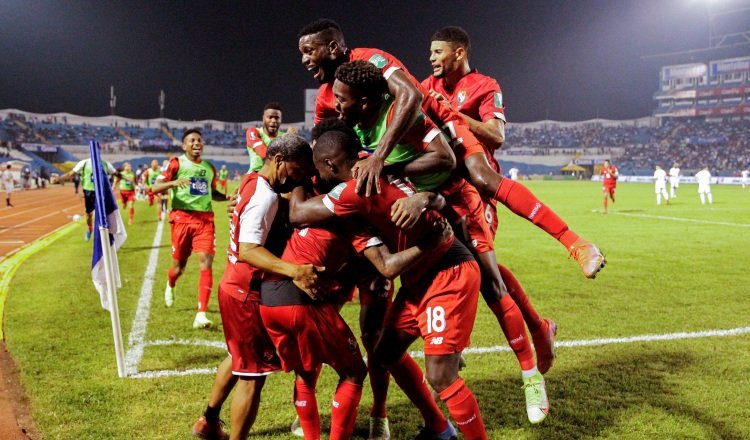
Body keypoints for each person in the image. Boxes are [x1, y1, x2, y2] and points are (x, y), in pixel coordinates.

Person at [298, 18, 605, 279]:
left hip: (437, 123)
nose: (304, 59)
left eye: (309, 51)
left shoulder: (370, 59)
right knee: (474, 261)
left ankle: (574, 242)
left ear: (333, 47)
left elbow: (410, 96)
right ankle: (538, 331)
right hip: (409, 153)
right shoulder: (328, 97)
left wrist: (379, 159)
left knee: (482, 177)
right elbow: (330, 144)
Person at [332, 62, 549, 423]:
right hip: (427, 217)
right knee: (390, 346)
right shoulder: (363, 125)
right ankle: (423, 416)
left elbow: (449, 159)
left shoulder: (410, 112)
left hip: (457, 196)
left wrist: (388, 168)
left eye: (440, 51)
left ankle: (530, 374)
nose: (433, 58)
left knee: (490, 279)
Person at [289, 128, 488, 439]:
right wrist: (427, 199)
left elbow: (298, 214)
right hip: (417, 277)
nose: (317, 176)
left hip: (446, 270)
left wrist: (297, 173)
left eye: (317, 169)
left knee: (441, 376)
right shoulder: (377, 163)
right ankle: (439, 429)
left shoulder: (350, 191)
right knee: (383, 355)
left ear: (328, 164)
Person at [192, 134, 322, 440]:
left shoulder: (254, 181)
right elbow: (249, 249)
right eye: (297, 169)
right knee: (253, 376)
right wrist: (294, 270)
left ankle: (208, 421)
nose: (300, 177)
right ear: (278, 161)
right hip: (245, 292)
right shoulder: (263, 196)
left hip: (234, 285)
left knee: (238, 357)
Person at [151, 129, 226, 329]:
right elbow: (154, 188)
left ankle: (201, 313)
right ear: (184, 146)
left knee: (206, 262)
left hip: (205, 221)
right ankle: (171, 283)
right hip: (181, 220)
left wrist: (227, 198)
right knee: (178, 267)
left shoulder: (210, 168)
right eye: (191, 140)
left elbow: (213, 193)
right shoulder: (176, 163)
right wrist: (174, 182)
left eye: (199, 140)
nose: (196, 143)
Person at [60, 156, 118, 240]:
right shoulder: (84, 163)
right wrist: (59, 178)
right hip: (89, 193)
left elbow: (116, 173)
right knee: (89, 215)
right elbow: (71, 173)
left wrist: (115, 183)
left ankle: (107, 235)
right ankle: (90, 229)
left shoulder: (105, 163)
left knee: (104, 213)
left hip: (102, 192)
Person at [246, 102, 285, 172]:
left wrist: (293, 137)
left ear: (281, 119)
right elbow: (263, 152)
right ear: (263, 118)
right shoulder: (253, 132)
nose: (273, 121)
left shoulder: (285, 136)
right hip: (256, 175)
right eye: (270, 117)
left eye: (277, 118)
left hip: (277, 177)